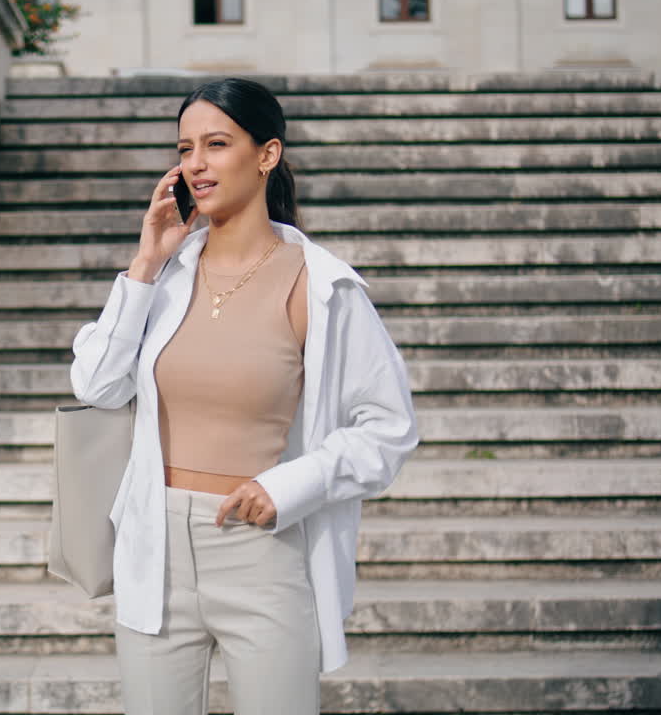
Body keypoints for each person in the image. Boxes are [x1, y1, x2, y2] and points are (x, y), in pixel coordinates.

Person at [69, 77, 419, 715]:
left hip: (260, 549)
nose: (195, 164)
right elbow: (96, 384)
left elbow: (388, 426)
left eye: (216, 144)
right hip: (154, 549)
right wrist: (144, 264)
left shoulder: (323, 286)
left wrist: (290, 485)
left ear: (267, 154)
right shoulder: (165, 277)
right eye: (185, 149)